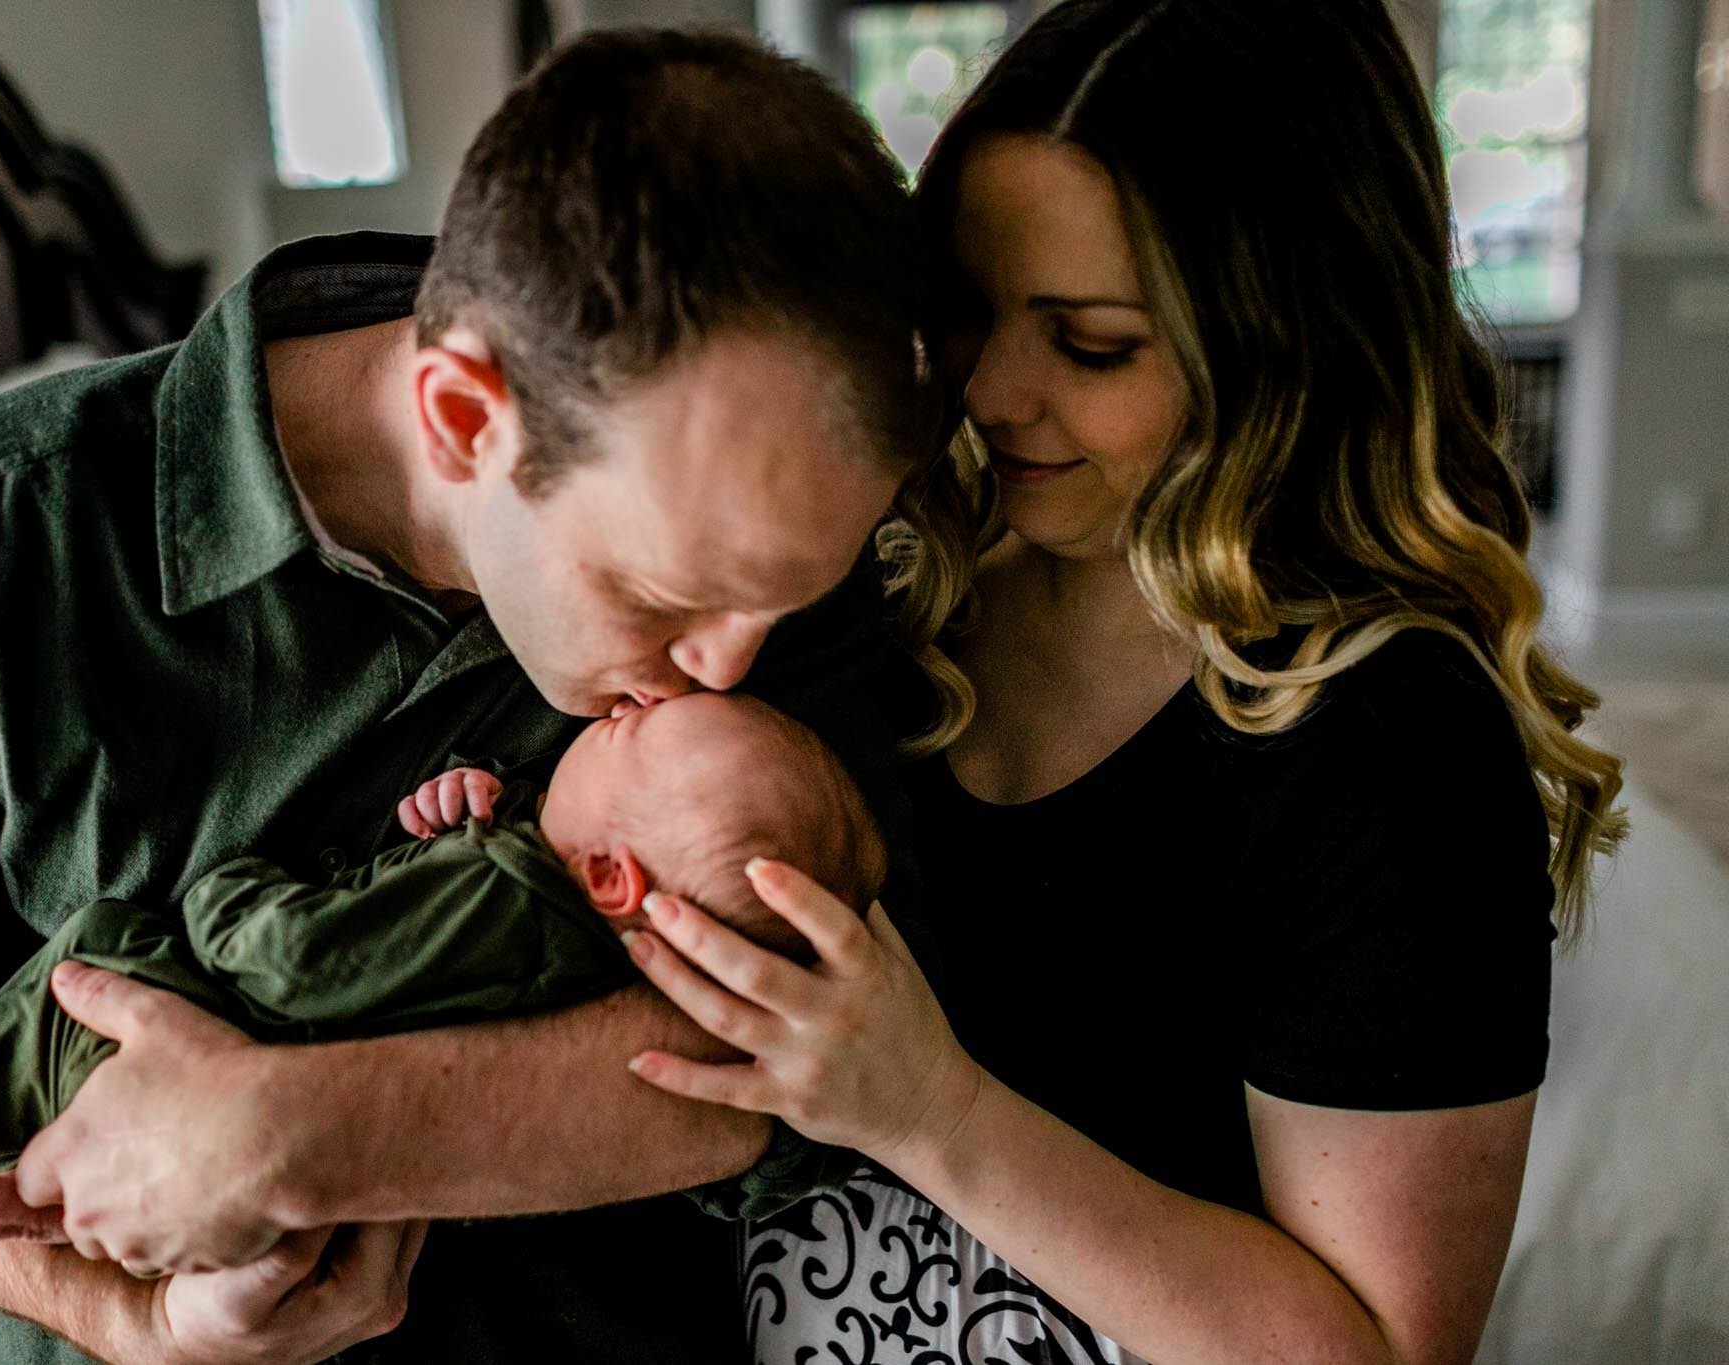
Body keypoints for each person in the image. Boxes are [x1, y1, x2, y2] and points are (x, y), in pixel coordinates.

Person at [0, 29, 949, 1365]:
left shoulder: (766, 514)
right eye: (663, 593)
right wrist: (136, 1321)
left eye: (777, 602)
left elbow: (820, 1057)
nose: (730, 671)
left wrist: (311, 1131)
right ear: (467, 418)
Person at [620, 3, 1629, 1363]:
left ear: (1283, 345)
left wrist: (932, 1111)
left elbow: (1373, 1350)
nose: (990, 390)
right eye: (973, 311)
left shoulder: (1388, 740)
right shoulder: (880, 601)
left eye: (1090, 343)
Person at [0, 691, 885, 1226]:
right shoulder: (565, 932)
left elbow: (299, 958)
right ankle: (19, 1170)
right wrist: (473, 820)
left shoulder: (506, 889)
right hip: (232, 1135)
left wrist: (228, 893)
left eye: (630, 733)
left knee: (103, 943)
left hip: (220, 1022)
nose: (622, 707)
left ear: (608, 877)